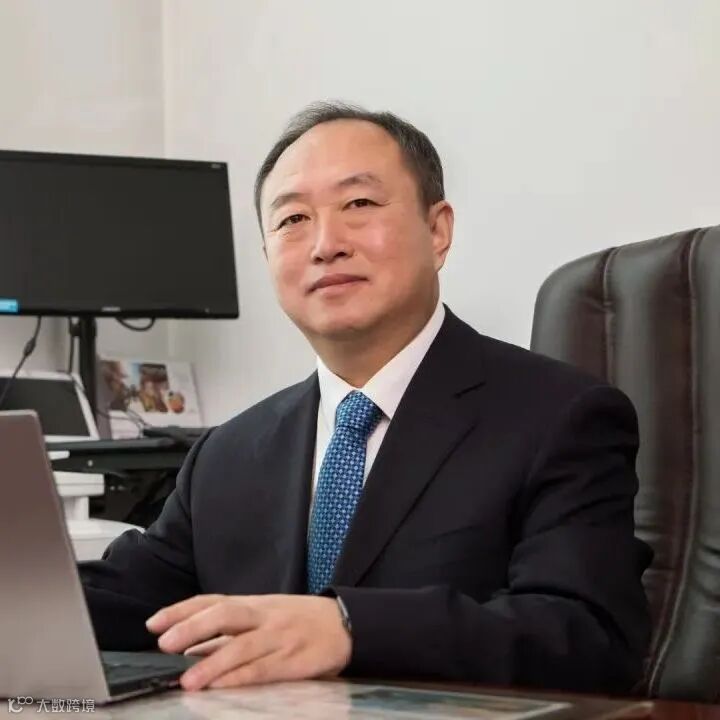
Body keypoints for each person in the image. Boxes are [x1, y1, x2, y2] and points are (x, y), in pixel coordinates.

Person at [81, 102, 652, 695]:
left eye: (358, 204)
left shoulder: (560, 416)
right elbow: (125, 601)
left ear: (438, 231)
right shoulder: (227, 453)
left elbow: (587, 636)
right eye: (292, 219)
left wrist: (350, 628)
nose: (325, 244)